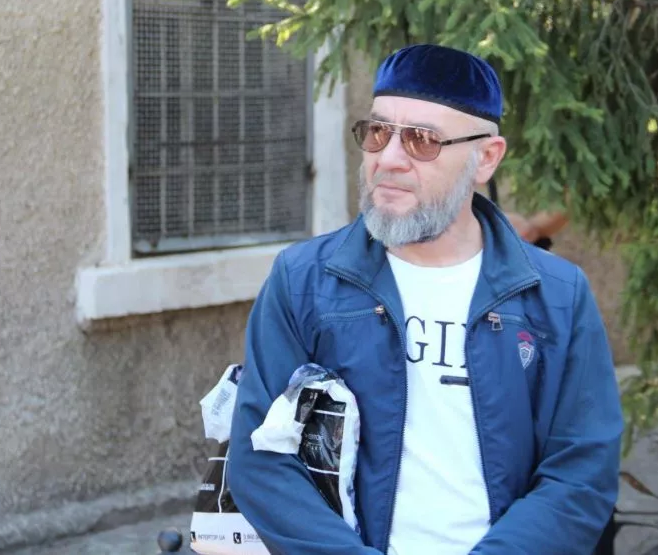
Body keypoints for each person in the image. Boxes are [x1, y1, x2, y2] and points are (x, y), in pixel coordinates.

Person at [226, 43, 623, 555]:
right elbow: (261, 457)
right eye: (378, 132)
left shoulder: (557, 295)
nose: (388, 159)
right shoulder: (304, 280)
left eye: (422, 140)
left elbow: (580, 472)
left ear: (485, 158)